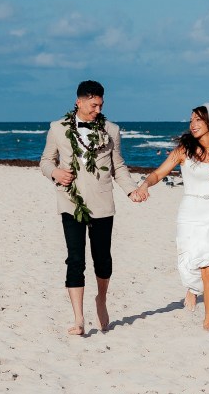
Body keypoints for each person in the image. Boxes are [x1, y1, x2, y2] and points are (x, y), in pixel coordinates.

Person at [131, 104, 209, 331]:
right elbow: (158, 173)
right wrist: (145, 185)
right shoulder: (184, 150)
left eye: (198, 120)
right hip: (191, 211)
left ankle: (208, 323)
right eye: (191, 120)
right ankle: (192, 288)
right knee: (189, 260)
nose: (193, 124)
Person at [40, 80, 138, 336]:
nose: (97, 109)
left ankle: (101, 300)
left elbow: (119, 166)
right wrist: (56, 173)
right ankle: (79, 319)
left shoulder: (111, 130)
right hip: (70, 202)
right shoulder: (57, 128)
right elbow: (45, 161)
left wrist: (131, 189)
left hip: (102, 202)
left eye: (100, 105)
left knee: (102, 260)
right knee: (75, 260)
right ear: (79, 101)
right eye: (93, 105)